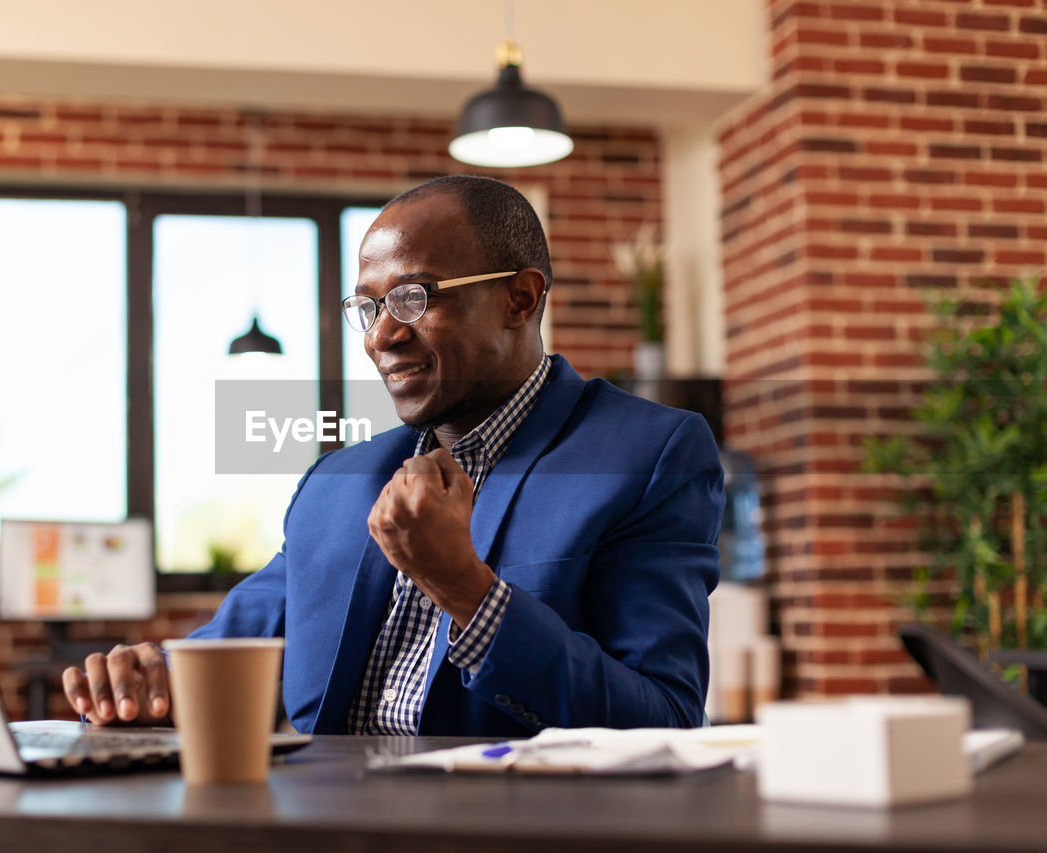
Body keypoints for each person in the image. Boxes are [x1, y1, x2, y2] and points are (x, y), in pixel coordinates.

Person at [63, 175, 724, 736]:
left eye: (414, 298)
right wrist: (152, 673)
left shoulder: (649, 453)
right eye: (369, 307)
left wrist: (467, 590)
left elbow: (664, 720)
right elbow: (230, 646)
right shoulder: (336, 481)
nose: (383, 335)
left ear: (520, 298)